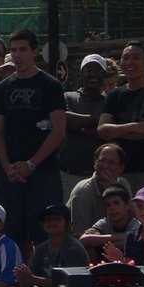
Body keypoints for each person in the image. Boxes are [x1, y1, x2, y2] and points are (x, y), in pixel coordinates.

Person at [0, 29, 66, 250]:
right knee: (12, 234)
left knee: (47, 233)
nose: (17, 55)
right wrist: (7, 166)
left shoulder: (50, 85)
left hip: (44, 173)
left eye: (23, 49)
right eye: (13, 50)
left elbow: (58, 130)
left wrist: (31, 164)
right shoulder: (3, 88)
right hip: (11, 175)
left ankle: (44, 281)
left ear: (34, 51)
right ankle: (16, 280)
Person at [0, 204, 88, 287]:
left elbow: (70, 283)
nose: (52, 223)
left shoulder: (74, 249)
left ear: (68, 224)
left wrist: (33, 279)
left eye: (57, 219)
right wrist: (23, 279)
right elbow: (29, 283)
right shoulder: (41, 249)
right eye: (48, 220)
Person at [97, 41, 144, 192]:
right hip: (115, 171)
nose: (130, 62)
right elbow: (103, 130)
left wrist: (116, 132)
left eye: (136, 57)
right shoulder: (114, 95)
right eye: (125, 57)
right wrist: (136, 127)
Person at [60, 54, 109, 200]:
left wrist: (78, 127)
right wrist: (98, 120)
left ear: (103, 75)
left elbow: (109, 132)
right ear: (81, 73)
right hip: (69, 174)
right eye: (88, 70)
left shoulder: (110, 101)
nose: (92, 74)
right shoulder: (68, 96)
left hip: (101, 176)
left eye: (97, 71)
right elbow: (65, 119)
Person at [67, 143, 132, 236]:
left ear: (121, 168)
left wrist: (117, 191)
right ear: (95, 164)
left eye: (111, 162)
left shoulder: (123, 184)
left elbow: (134, 219)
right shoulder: (83, 192)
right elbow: (80, 237)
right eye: (101, 161)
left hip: (115, 241)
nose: (105, 166)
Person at [79, 184, 137, 262]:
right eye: (108, 205)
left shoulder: (135, 224)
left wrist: (101, 245)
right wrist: (120, 237)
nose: (112, 208)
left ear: (128, 205)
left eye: (116, 203)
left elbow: (137, 242)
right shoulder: (105, 222)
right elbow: (83, 240)